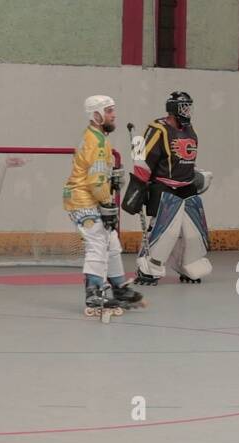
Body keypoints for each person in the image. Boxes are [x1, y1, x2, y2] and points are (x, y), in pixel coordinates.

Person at [122, 91, 213, 285]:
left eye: (189, 106)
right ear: (173, 109)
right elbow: (146, 159)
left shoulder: (189, 129)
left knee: (195, 232)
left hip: (187, 187)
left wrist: (197, 175)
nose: (188, 111)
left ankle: (190, 266)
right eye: (184, 107)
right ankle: (149, 268)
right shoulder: (158, 129)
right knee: (166, 232)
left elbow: (186, 159)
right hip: (165, 188)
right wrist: (141, 180)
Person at [63, 95, 143, 311]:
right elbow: (95, 181)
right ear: (96, 115)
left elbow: (98, 173)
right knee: (97, 242)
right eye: (108, 111)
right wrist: (108, 201)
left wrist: (112, 174)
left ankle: (118, 287)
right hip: (82, 200)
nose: (113, 114)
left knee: (112, 242)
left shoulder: (98, 137)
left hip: (89, 197)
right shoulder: (96, 142)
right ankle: (94, 292)